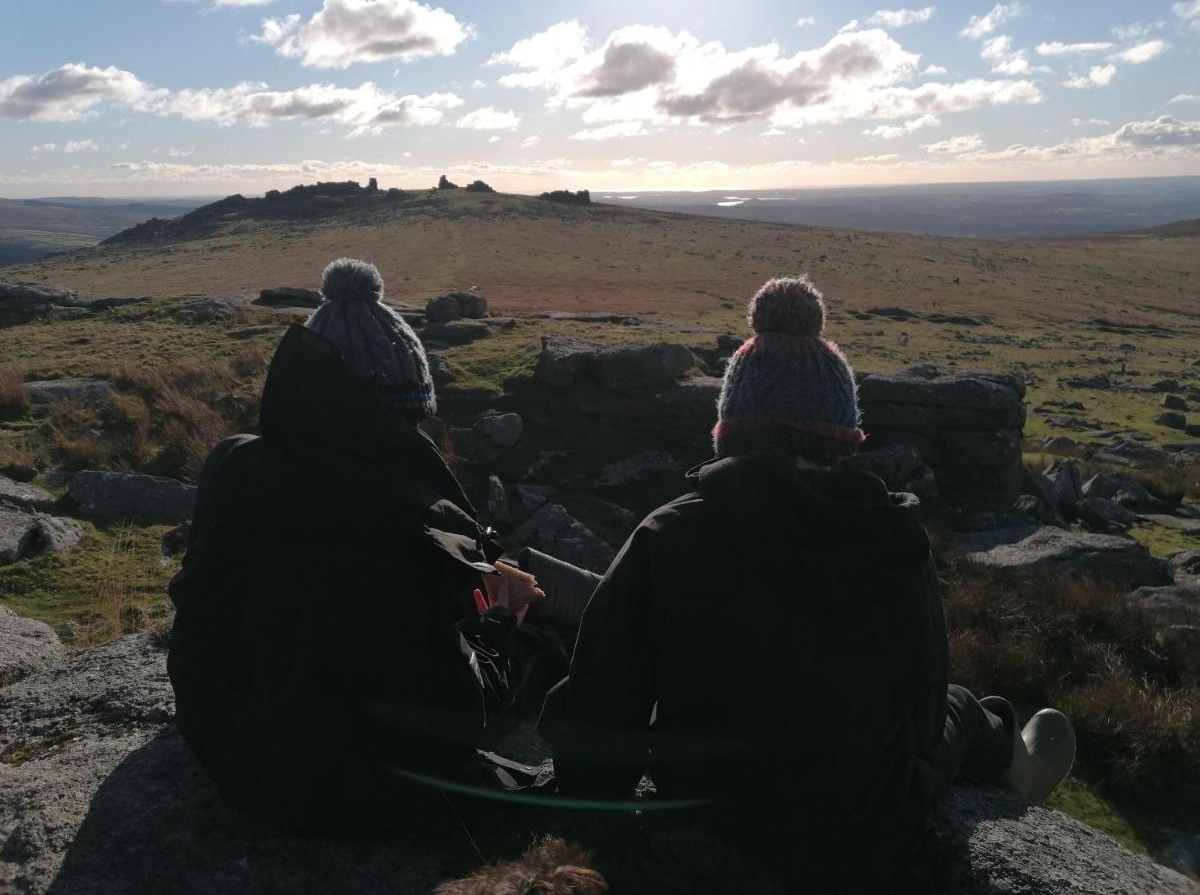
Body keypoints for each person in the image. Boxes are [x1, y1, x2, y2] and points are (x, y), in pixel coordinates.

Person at [540, 276, 1076, 887]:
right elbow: (921, 710)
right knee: (956, 705)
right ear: (843, 436)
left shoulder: (669, 534)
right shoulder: (896, 534)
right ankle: (1008, 752)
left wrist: (590, 822)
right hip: (869, 838)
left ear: (729, 429)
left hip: (708, 825)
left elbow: (601, 699)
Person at [168, 258, 567, 834]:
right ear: (400, 411)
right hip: (334, 791)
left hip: (223, 743)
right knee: (545, 649)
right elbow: (457, 712)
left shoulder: (233, 463)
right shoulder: (404, 522)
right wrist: (505, 618)